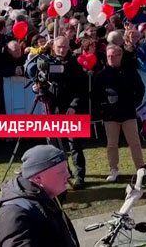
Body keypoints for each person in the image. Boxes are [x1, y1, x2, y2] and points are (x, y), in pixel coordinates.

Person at [0, 145, 80, 247]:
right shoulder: (15, 217)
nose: (68, 175)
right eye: (61, 172)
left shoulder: (49, 196)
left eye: (67, 169)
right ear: (37, 178)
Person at [35, 36, 89, 189]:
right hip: (53, 109)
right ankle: (64, 173)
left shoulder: (75, 65)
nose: (62, 50)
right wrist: (38, 88)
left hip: (72, 111)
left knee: (75, 145)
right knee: (54, 146)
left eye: (65, 47)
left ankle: (80, 176)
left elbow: (83, 90)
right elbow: (43, 85)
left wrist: (74, 107)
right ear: (54, 47)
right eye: (59, 47)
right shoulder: (48, 63)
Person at [92, 45, 146, 182]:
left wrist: (135, 103)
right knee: (112, 144)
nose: (111, 58)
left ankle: (140, 168)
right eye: (108, 56)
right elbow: (95, 95)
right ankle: (113, 169)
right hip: (110, 116)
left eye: (113, 55)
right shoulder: (101, 75)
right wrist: (103, 109)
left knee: (134, 142)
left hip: (128, 113)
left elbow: (140, 88)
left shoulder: (130, 71)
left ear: (120, 56)